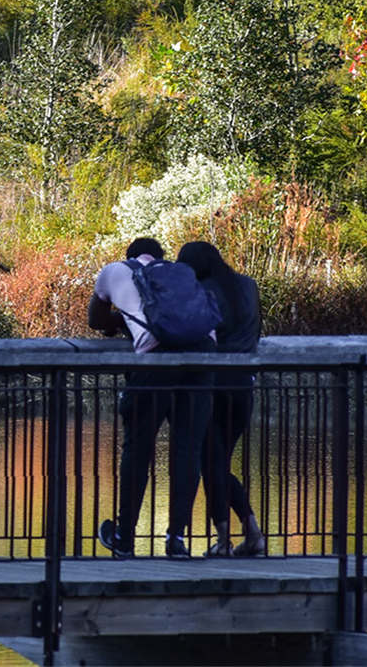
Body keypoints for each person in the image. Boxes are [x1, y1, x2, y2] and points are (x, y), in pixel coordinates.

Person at [87, 237, 213, 558]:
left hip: (155, 362)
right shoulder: (179, 273)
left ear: (129, 256)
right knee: (188, 449)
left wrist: (123, 322)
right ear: (160, 258)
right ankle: (177, 540)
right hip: (203, 358)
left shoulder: (115, 271)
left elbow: (95, 320)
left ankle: (125, 538)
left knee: (138, 447)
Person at [177, 240, 266, 558]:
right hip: (243, 384)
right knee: (219, 462)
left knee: (210, 464)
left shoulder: (201, 290)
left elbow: (193, 332)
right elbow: (256, 334)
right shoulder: (248, 285)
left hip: (211, 384)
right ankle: (252, 534)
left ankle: (225, 541)